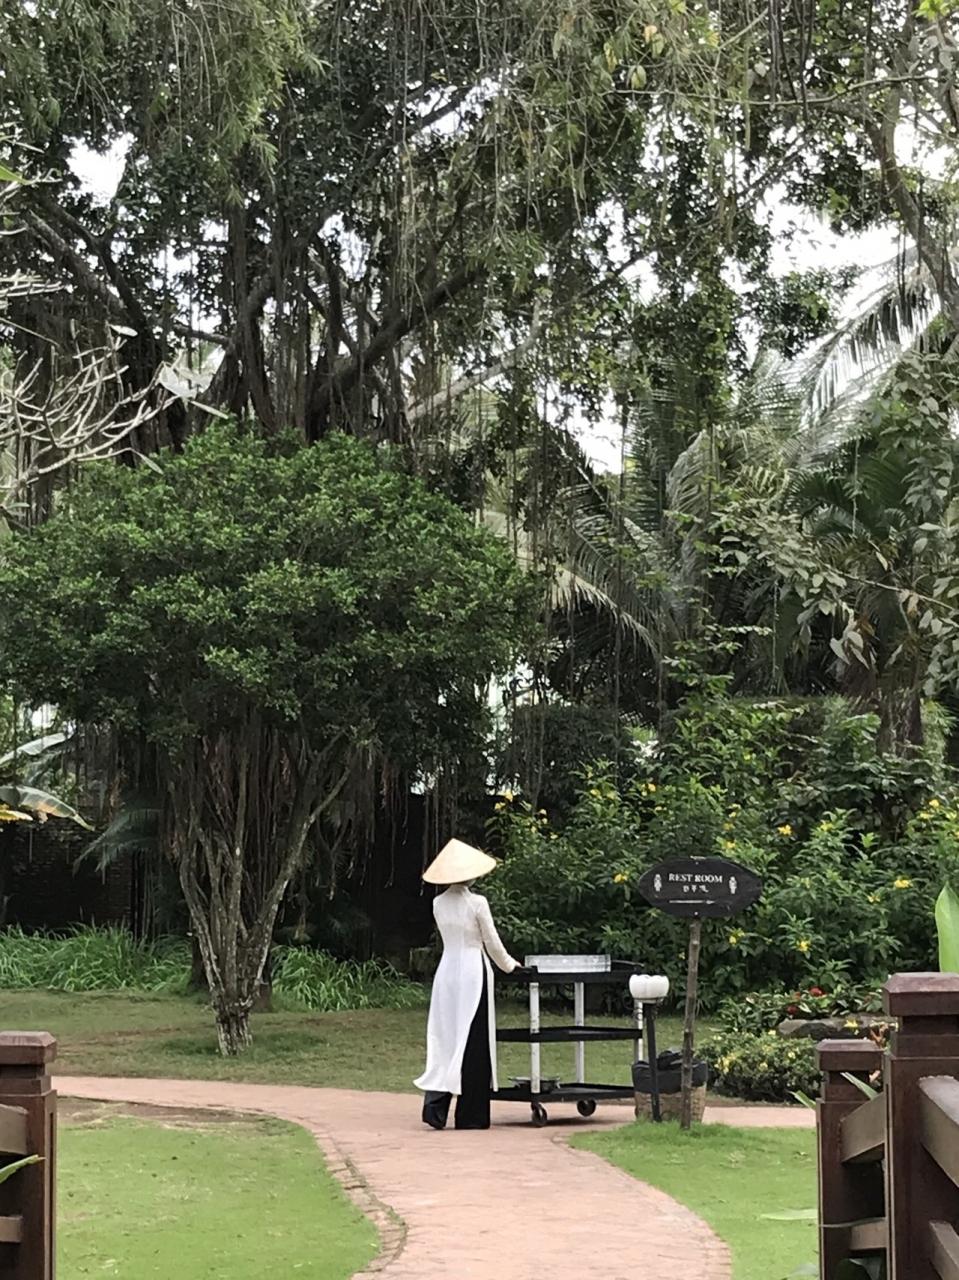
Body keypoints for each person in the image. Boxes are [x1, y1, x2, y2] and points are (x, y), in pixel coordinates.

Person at [414, 837, 533, 1130]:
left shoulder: (438, 903)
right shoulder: (477, 903)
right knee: (474, 1039)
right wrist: (511, 966)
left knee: (446, 1036)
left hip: (447, 973)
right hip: (471, 972)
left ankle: (436, 1107)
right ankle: (471, 1114)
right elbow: (491, 943)